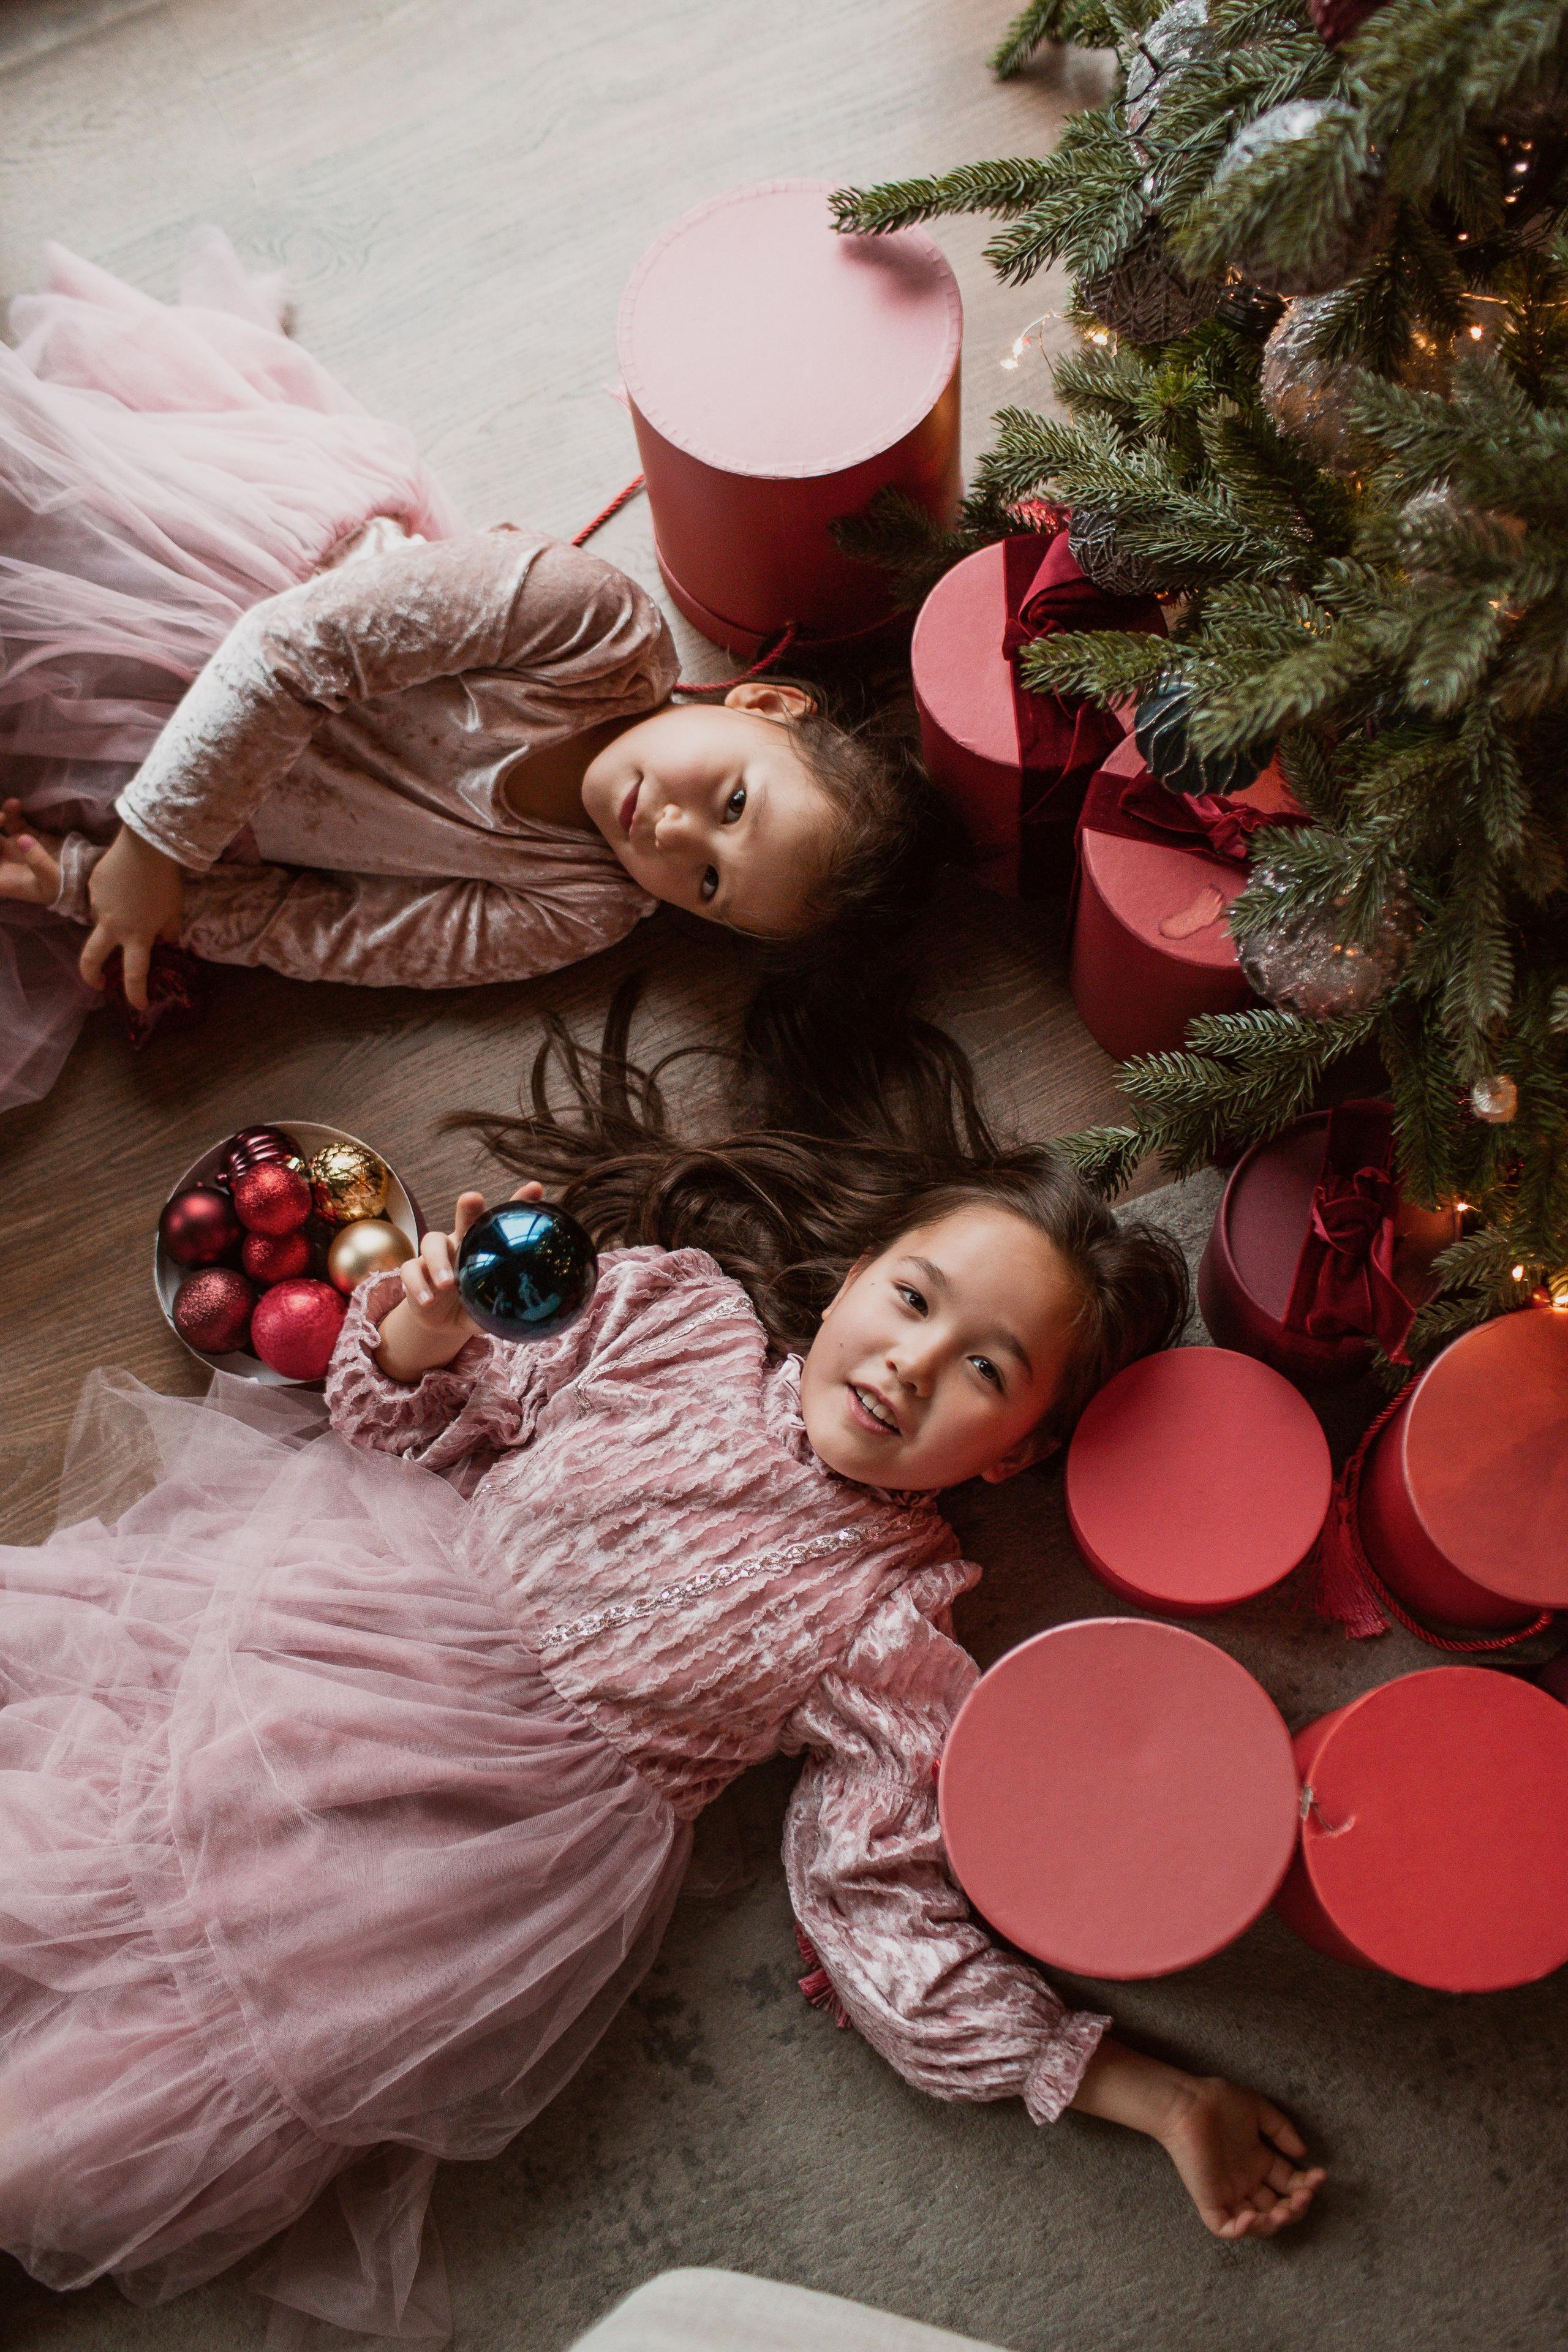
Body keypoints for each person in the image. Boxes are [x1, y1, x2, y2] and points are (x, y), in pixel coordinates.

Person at [0, 1001, 1324, 2345]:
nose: (912, 1362)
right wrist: (426, 1327)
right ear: (858, 1272)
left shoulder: (894, 1632)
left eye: (983, 1369)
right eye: (912, 1299)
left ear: (1011, 1456)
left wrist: (1144, 2092)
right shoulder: (667, 1317)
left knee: (89, 2108)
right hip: (331, 1633)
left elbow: (874, 1915)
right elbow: (392, 1425)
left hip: (439, 1865)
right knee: (52, 1813)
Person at [0, 233, 948, 1111]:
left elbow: (324, 930)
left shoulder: (572, 911)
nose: (668, 832)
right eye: (733, 805)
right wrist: (155, 843)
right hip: (217, 591)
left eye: (705, 883)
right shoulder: (589, 625)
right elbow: (295, 648)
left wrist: (88, 881)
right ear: (767, 702)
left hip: (148, 781)